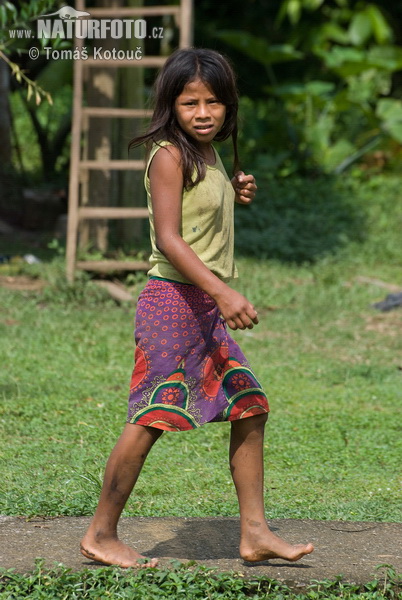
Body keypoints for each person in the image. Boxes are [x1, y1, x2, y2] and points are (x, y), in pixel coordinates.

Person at [80, 48, 314, 568]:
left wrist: (233, 191)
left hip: (200, 307)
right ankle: (100, 533)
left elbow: (198, 214)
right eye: (190, 103)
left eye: (213, 102)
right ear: (172, 105)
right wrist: (224, 292)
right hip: (172, 304)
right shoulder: (169, 154)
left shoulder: (208, 158)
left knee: (250, 406)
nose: (203, 113)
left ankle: (254, 533)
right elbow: (169, 239)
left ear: (229, 105)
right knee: (150, 416)